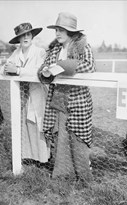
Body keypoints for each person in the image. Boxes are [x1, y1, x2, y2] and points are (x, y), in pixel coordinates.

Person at [38, 12, 96, 182]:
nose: (57, 33)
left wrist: (62, 66)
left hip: (78, 100)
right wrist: (45, 71)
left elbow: (90, 66)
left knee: (78, 139)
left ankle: (84, 177)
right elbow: (45, 66)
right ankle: (64, 175)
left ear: (71, 32)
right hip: (58, 99)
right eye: (56, 29)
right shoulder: (55, 48)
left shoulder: (82, 46)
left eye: (61, 30)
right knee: (61, 138)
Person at [0, 22, 50, 165]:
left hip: (37, 92)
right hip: (23, 95)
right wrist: (6, 69)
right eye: (22, 36)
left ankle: (43, 158)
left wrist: (18, 71)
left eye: (28, 34)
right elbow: (3, 67)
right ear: (18, 39)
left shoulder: (39, 51)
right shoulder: (16, 53)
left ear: (32, 36)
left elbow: (39, 72)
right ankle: (29, 156)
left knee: (38, 123)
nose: (25, 38)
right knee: (26, 123)